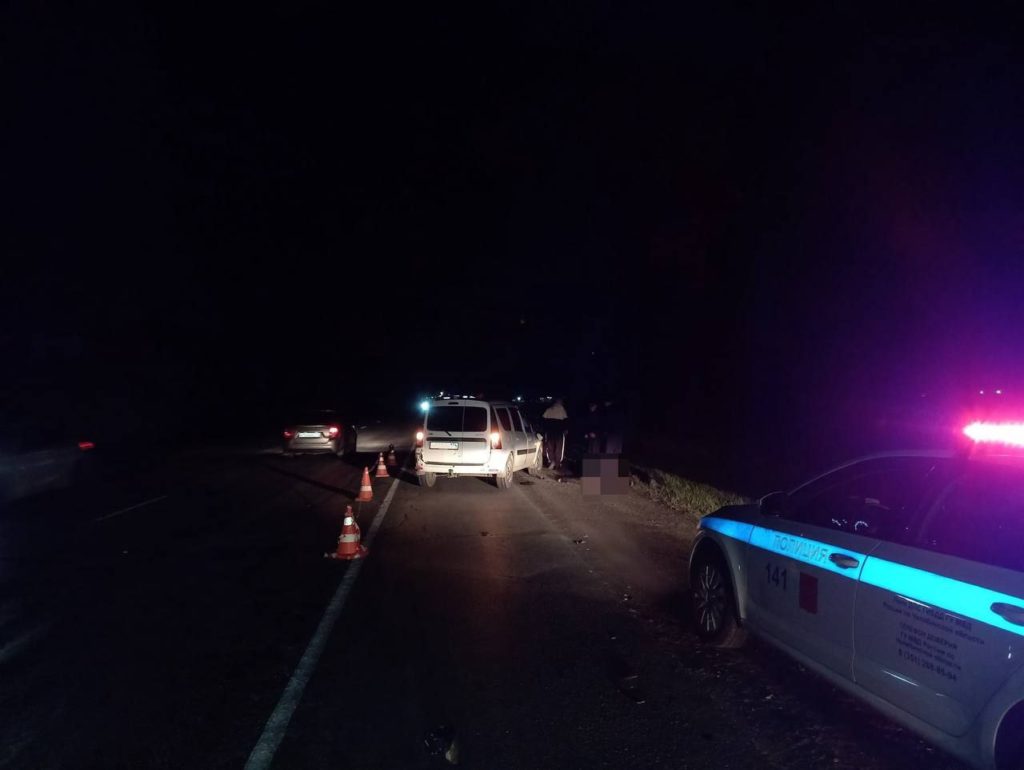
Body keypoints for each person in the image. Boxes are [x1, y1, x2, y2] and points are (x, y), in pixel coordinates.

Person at [542, 398, 568, 469]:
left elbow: (543, 421)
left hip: (549, 432)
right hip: (559, 432)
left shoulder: (548, 410)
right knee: (559, 448)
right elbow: (566, 421)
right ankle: (557, 463)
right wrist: (565, 430)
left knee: (550, 447)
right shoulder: (562, 410)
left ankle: (551, 461)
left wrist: (545, 430)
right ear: (560, 402)